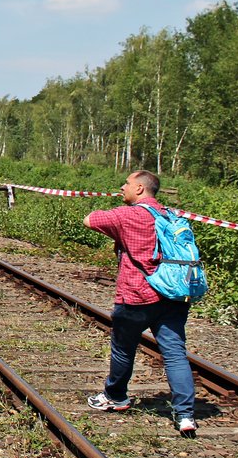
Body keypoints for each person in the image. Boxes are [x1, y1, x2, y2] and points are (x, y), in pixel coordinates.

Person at [84, 170, 197, 437]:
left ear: (138, 188)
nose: (122, 187)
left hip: (137, 295)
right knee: (175, 354)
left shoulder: (128, 215)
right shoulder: (172, 215)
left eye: (126, 183)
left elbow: (89, 220)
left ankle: (116, 397)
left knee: (124, 349)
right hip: (173, 294)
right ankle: (185, 415)